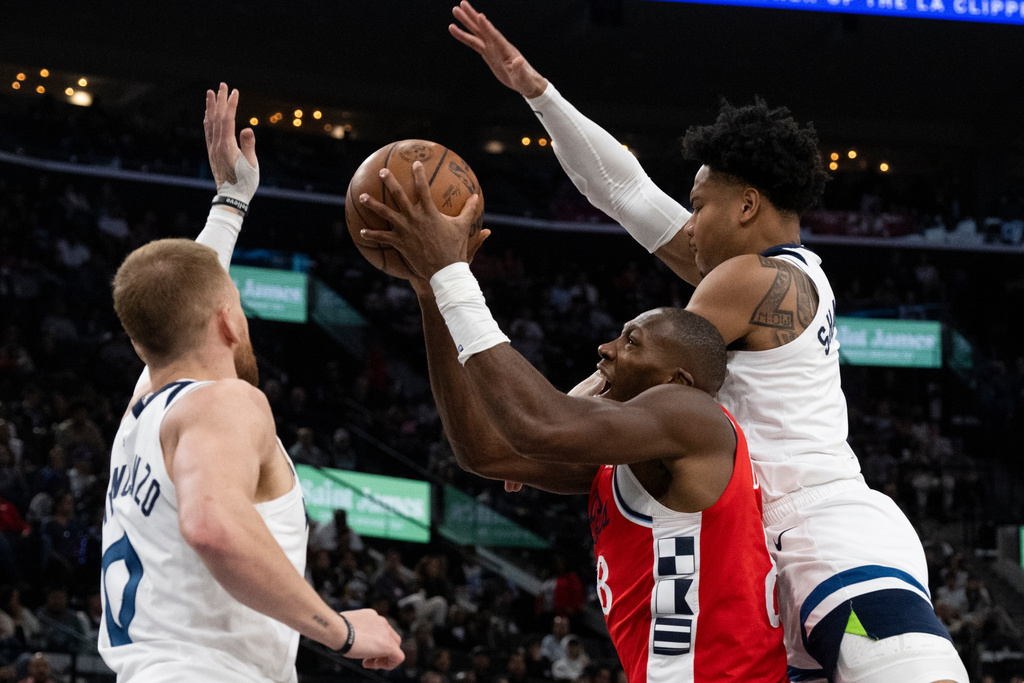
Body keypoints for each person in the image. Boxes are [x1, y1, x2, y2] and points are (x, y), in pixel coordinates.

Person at [447, 5, 968, 682]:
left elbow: (655, 366)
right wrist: (536, 90)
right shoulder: (757, 277)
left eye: (698, 205)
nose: (688, 224)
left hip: (826, 531)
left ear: (746, 205)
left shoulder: (753, 278)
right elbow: (623, 190)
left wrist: (555, 423)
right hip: (758, 548)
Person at [358, 166, 787, 681]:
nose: (605, 348)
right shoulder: (629, 460)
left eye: (632, 342)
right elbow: (485, 451)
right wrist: (431, 296)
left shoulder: (694, 418)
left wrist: (451, 274)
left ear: (678, 379)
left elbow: (539, 424)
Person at [98, 83, 403, 682]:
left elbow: (183, 291)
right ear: (228, 320)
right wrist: (339, 632)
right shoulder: (226, 403)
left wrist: (230, 201)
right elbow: (211, 526)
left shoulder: (145, 410)